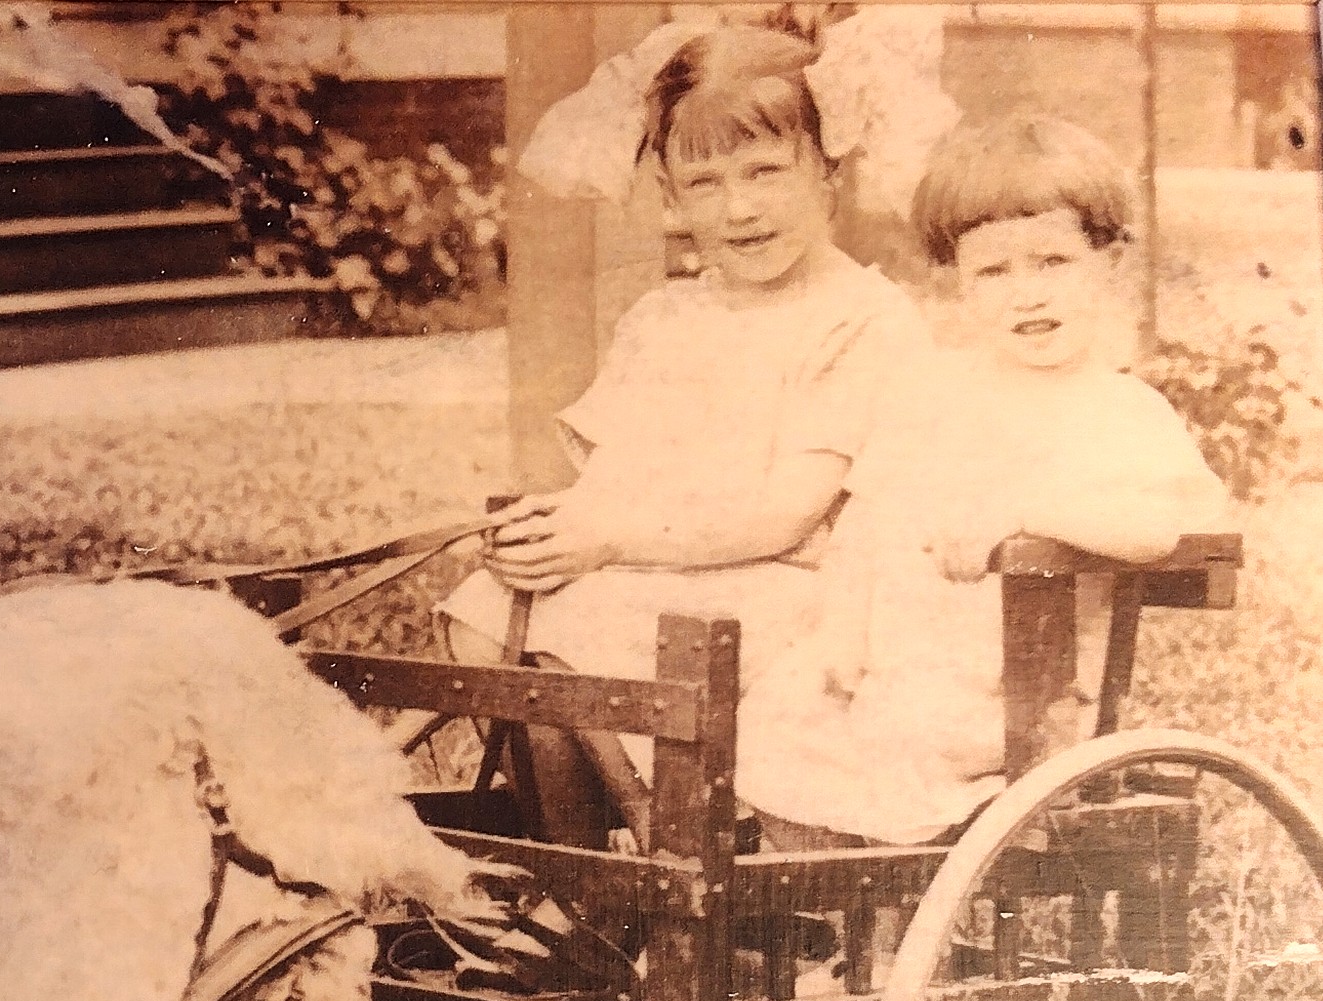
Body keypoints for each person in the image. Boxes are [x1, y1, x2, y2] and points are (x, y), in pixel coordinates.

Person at [439, 24, 928, 846]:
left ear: (827, 170)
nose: (738, 208)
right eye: (704, 183)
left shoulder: (858, 319)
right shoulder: (663, 319)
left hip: (793, 592)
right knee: (488, 613)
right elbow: (611, 486)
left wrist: (607, 542)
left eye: (764, 172)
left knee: (580, 640)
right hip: (664, 571)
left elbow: (785, 514)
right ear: (668, 192)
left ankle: (659, 852)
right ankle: (578, 856)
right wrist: (550, 532)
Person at [735, 114, 1230, 849]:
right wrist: (841, 633)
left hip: (1023, 703)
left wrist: (1024, 512)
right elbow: (865, 525)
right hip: (901, 675)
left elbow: (1157, 527)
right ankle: (853, 920)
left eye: (1051, 262)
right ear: (954, 282)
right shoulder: (933, 396)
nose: (1024, 294)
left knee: (901, 736)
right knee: (774, 714)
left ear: (1110, 260)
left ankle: (893, 927)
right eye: (992, 272)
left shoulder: (1119, 411)